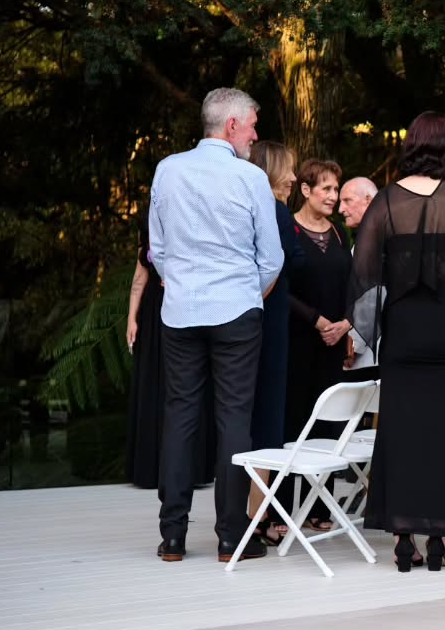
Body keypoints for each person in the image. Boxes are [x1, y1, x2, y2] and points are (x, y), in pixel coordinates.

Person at [350, 111, 445, 572]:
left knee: (402, 432)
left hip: (405, 335)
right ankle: (440, 539)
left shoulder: (385, 202)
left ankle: (403, 538)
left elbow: (363, 272)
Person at [149, 87, 283, 563]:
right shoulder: (249, 178)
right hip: (236, 310)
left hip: (181, 309)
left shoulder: (168, 169)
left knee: (180, 417)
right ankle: (230, 536)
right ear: (231, 126)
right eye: (252, 124)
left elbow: (157, 249)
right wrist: (250, 292)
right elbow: (270, 257)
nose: (255, 133)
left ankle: (172, 536)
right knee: (234, 419)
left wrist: (177, 282)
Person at [124, 214, 215, 490]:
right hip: (154, 313)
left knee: (186, 385)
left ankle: (191, 469)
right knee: (154, 382)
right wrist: (132, 318)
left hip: (186, 306)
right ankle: (150, 470)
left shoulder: (192, 219)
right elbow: (139, 278)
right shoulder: (146, 225)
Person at [286, 158, 353, 530]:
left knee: (327, 425)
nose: (333, 195)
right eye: (325, 188)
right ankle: (281, 507)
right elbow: (280, 287)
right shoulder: (290, 231)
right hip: (297, 340)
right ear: (306, 190)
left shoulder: (340, 233)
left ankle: (319, 509)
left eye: (336, 189)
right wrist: (316, 320)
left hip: (333, 343)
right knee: (293, 422)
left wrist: (344, 323)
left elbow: (353, 285)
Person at [245, 140, 305, 542]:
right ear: (269, 171)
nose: (294, 179)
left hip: (246, 324)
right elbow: (289, 260)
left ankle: (249, 510)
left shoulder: (242, 208)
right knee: (267, 418)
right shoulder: (274, 210)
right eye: (288, 170)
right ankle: (257, 515)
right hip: (270, 323)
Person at [337, 176, 380, 374]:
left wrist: (354, 345)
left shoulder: (375, 238)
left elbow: (371, 296)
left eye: (347, 201)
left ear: (369, 200)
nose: (340, 209)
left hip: (370, 353)